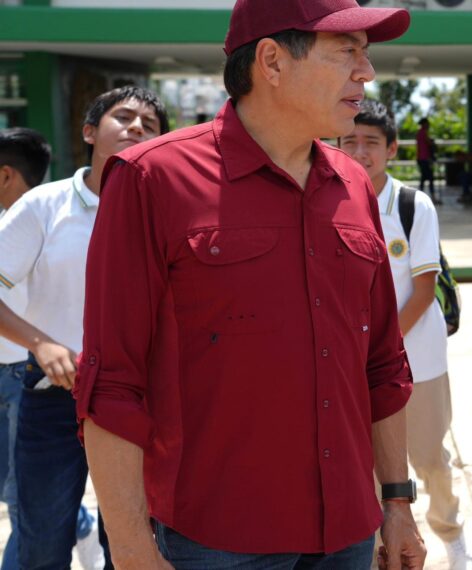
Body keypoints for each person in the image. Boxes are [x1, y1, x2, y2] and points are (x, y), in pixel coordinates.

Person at [75, 1, 426, 568]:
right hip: (214, 538)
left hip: (349, 531)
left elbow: (381, 363)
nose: (366, 72)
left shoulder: (355, 185)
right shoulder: (152, 179)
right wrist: (134, 549)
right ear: (271, 61)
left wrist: (397, 500)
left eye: (366, 54)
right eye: (347, 52)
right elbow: (111, 382)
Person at [0, 87, 169, 569]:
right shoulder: (43, 205)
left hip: (142, 397)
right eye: (124, 117)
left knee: (137, 541)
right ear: (89, 132)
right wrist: (41, 343)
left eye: (149, 124)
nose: (136, 127)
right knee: (41, 541)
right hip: (54, 392)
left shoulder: (169, 210)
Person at [340, 99, 472, 570]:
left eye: (371, 143)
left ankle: (452, 536)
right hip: (350, 365)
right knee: (373, 470)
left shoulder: (410, 204)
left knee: (429, 460)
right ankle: (386, 548)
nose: (359, 152)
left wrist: (374, 350)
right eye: (349, 141)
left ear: (392, 148)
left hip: (416, 361)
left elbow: (422, 291)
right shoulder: (327, 199)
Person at [0, 126, 52, 569]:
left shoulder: (41, 219)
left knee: (23, 500)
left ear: (5, 176)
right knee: (14, 492)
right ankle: (78, 527)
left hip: (26, 376)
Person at [416, 117, 439, 203]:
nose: (428, 125)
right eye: (427, 123)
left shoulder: (419, 133)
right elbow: (429, 143)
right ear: (424, 124)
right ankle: (432, 197)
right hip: (424, 159)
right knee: (430, 178)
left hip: (421, 158)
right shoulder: (423, 133)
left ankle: (420, 196)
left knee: (424, 177)